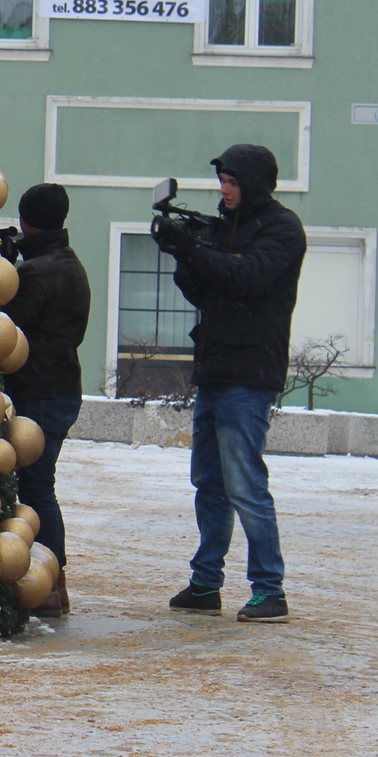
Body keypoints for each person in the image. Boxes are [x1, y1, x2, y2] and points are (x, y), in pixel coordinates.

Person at [154, 144, 306, 623]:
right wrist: (183, 254)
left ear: (256, 183)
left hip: (251, 372)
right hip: (216, 367)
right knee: (209, 484)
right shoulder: (224, 227)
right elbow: (203, 289)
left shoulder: (282, 229)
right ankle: (205, 583)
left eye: (234, 182)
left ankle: (269, 589)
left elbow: (250, 278)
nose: (225, 189)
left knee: (244, 484)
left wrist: (197, 248)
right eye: (223, 180)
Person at [0, 183, 91, 616]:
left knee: (36, 486)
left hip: (38, 391)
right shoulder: (68, 264)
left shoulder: (38, 272)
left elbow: (3, 320)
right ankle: (51, 583)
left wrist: (0, 265)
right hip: (60, 389)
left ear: (24, 218)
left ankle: (51, 583)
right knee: (40, 483)